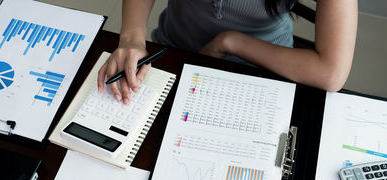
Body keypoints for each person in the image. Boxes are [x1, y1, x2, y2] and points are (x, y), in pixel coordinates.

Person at [97, 0, 357, 105]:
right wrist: (131, 37)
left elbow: (331, 72)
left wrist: (231, 42)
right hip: (174, 51)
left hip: (263, 72)